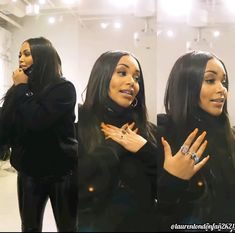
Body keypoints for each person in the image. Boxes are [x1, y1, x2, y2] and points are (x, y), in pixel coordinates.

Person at [77, 50, 209, 232]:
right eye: (122, 73)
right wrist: (114, 146)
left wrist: (145, 149)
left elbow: (176, 197)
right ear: (102, 76)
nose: (132, 82)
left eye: (137, 78)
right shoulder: (78, 128)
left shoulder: (150, 131)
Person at [0, 37, 78, 232]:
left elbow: (37, 120)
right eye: (19, 55)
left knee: (67, 226)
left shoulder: (63, 88)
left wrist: (22, 89)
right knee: (29, 227)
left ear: (42, 56)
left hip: (61, 173)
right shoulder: (20, 89)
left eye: (27, 54)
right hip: (29, 172)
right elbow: (6, 123)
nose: (21, 59)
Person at [157, 50, 235, 230]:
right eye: (210, 80)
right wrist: (172, 181)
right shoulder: (163, 135)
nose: (222, 89)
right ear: (186, 85)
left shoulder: (230, 137)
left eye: (223, 82)